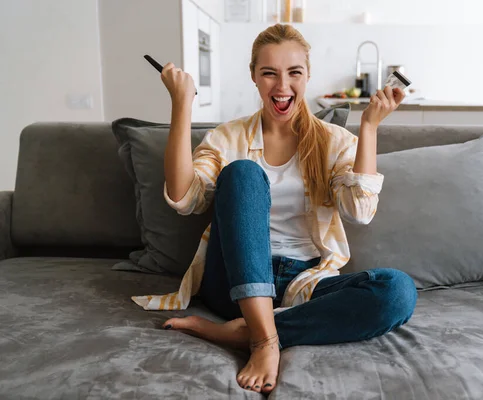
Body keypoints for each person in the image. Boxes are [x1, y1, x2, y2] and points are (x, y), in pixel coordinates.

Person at [134, 24, 417, 395]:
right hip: (232, 281)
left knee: (398, 291)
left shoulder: (334, 141)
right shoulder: (227, 138)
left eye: (294, 73)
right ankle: (264, 341)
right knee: (243, 173)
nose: (282, 86)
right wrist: (181, 104)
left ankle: (241, 331)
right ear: (254, 77)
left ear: (308, 76)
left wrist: (368, 127)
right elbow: (184, 198)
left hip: (302, 281)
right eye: (269, 73)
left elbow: (359, 212)